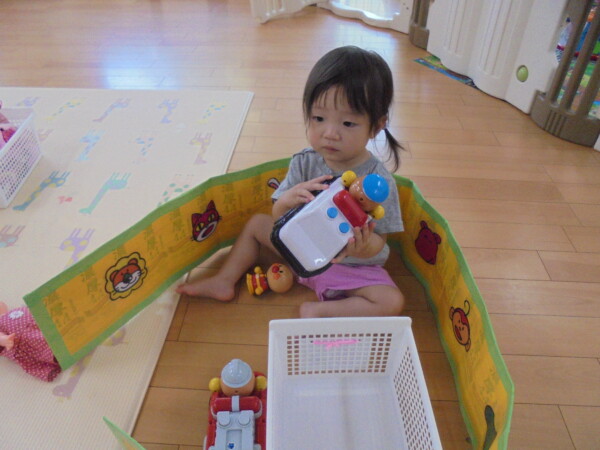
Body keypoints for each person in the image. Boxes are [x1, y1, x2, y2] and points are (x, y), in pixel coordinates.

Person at [177, 45, 405, 318]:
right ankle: (223, 280)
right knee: (257, 224)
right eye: (318, 118)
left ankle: (322, 310)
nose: (330, 133)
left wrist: (365, 247)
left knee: (391, 301)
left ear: (377, 126)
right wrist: (287, 200)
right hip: (298, 251)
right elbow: (278, 215)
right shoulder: (305, 161)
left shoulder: (379, 182)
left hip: (347, 268)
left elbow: (382, 240)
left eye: (347, 123)